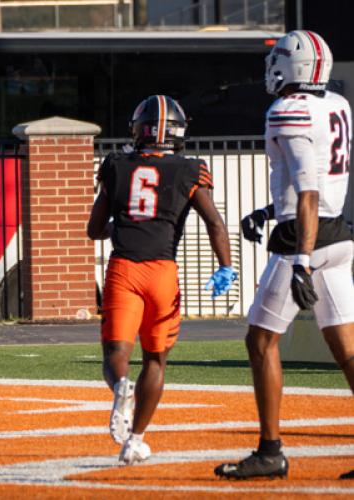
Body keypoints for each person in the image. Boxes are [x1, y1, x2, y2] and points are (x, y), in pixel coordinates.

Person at [215, 30, 354, 480]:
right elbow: (317, 184)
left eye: (276, 59)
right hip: (338, 236)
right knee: (347, 349)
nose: (270, 68)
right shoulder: (337, 105)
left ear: (291, 67)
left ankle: (270, 450)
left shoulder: (287, 110)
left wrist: (301, 260)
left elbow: (309, 189)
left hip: (305, 241)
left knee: (260, 341)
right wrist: (270, 209)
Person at [87, 95, 237, 465]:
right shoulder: (190, 169)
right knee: (155, 360)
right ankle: (135, 439)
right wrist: (225, 266)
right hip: (163, 274)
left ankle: (121, 388)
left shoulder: (116, 165)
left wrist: (121, 224)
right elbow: (214, 222)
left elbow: (94, 229)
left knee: (116, 353)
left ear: (140, 130)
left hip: (124, 268)